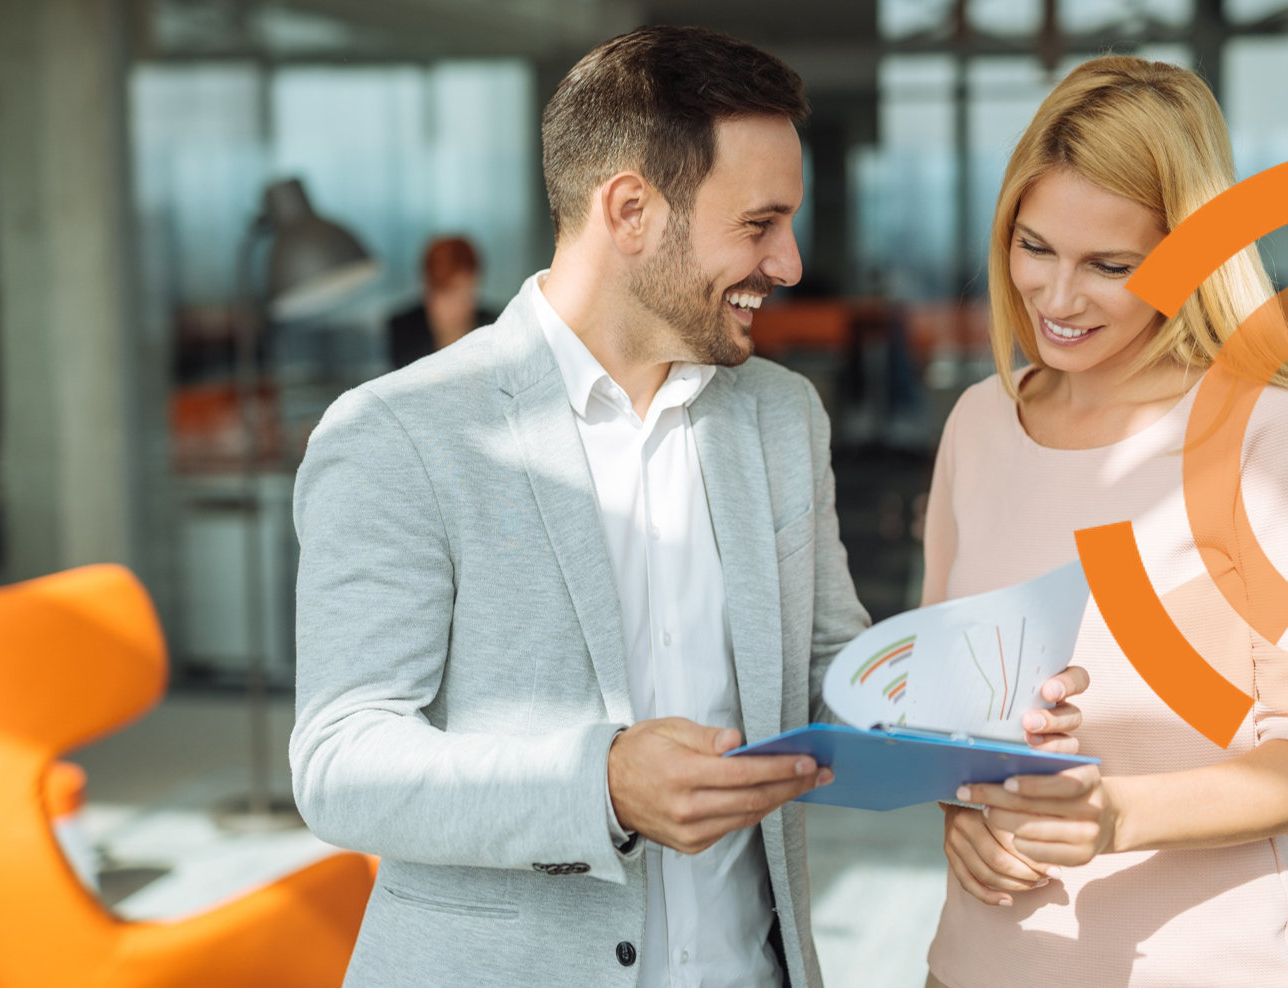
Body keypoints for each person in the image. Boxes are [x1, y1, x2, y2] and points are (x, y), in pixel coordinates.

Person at [291, 25, 1089, 988]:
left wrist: (974, 707)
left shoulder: (780, 416)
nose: (789, 263)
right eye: (758, 225)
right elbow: (343, 763)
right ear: (630, 209)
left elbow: (829, 664)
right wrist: (604, 784)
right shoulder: (399, 434)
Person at [920, 57, 1288, 988]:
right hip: (977, 962)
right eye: (1033, 246)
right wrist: (957, 815)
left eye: (1110, 266)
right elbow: (942, 716)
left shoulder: (1267, 435)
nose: (1057, 296)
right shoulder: (978, 423)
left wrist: (1116, 816)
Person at [386, 235, 496, 368]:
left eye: (468, 294)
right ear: (429, 294)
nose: (462, 306)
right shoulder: (404, 332)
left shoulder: (496, 328)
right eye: (450, 295)